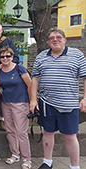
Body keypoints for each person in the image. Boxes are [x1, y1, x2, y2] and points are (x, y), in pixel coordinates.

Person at [30, 28, 86, 169]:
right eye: (52, 38)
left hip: (69, 104)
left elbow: (85, 78)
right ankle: (47, 162)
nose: (55, 39)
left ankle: (75, 166)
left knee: (70, 136)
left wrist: (85, 98)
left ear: (65, 39)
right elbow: (35, 79)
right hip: (46, 103)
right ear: (48, 42)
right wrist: (33, 100)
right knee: (48, 133)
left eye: (58, 37)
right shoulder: (41, 56)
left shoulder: (77, 55)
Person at [0, 46, 32, 169]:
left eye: (8, 56)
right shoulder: (0, 70)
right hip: (6, 103)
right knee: (10, 130)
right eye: (2, 56)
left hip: (20, 102)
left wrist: (32, 102)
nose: (5, 58)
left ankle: (27, 159)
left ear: (12, 57)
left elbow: (30, 85)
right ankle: (15, 154)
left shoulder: (19, 68)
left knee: (21, 132)